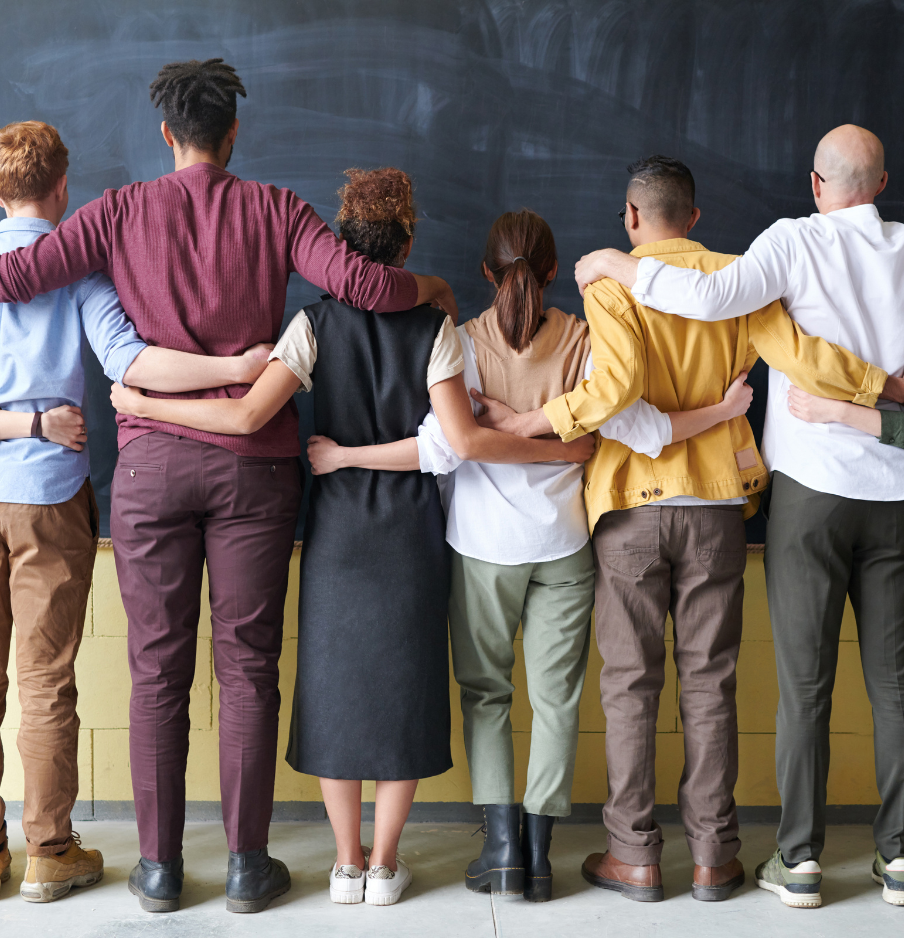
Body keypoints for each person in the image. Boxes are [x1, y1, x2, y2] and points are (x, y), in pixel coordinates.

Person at [0, 60, 460, 915]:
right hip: (253, 471)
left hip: (148, 467)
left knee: (155, 672)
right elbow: (361, 285)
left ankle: (159, 871)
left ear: (167, 135)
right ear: (233, 133)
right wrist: (430, 288)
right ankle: (249, 867)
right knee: (249, 669)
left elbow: (16, 276)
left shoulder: (115, 212)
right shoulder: (277, 210)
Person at [110, 169, 594, 907]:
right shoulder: (434, 326)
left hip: (335, 529)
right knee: (403, 689)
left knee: (334, 689)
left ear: (340, 246)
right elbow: (456, 440)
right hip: (409, 529)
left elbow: (244, 419)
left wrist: (144, 403)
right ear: (406, 244)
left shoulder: (311, 325)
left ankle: (344, 863)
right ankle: (385, 863)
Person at [472, 155, 894, 904]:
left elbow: (615, 390)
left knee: (629, 686)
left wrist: (533, 421)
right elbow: (799, 357)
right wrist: (878, 388)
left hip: (632, 507)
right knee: (711, 684)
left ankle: (633, 855)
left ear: (631, 218)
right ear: (694, 218)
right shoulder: (739, 276)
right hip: (717, 506)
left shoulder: (609, 284)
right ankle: (714, 858)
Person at [305, 207, 757, 903]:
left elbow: (438, 448)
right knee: (557, 701)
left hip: (481, 548)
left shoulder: (458, 340)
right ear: (553, 272)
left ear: (486, 272)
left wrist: (349, 456)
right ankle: (541, 855)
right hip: (565, 543)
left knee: (486, 696)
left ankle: (504, 850)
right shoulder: (585, 338)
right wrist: (571, 445)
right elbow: (632, 429)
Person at [0, 121, 272, 903]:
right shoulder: (80, 276)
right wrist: (233, 369)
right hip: (48, 491)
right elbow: (131, 362)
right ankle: (49, 852)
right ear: (61, 189)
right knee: (46, 678)